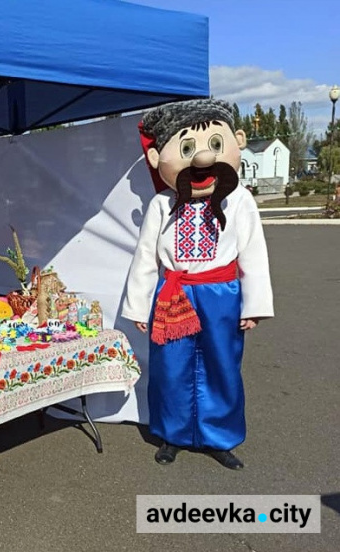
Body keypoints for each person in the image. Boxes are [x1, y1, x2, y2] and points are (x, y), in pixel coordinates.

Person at [122, 99, 274, 470]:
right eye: (187, 149)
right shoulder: (163, 203)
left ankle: (218, 436)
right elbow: (146, 256)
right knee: (170, 366)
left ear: (236, 141)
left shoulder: (239, 200)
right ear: (159, 158)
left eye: (215, 146)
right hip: (173, 292)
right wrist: (140, 306)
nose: (203, 160)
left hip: (221, 295)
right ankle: (172, 434)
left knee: (222, 364)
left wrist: (254, 304)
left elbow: (253, 251)